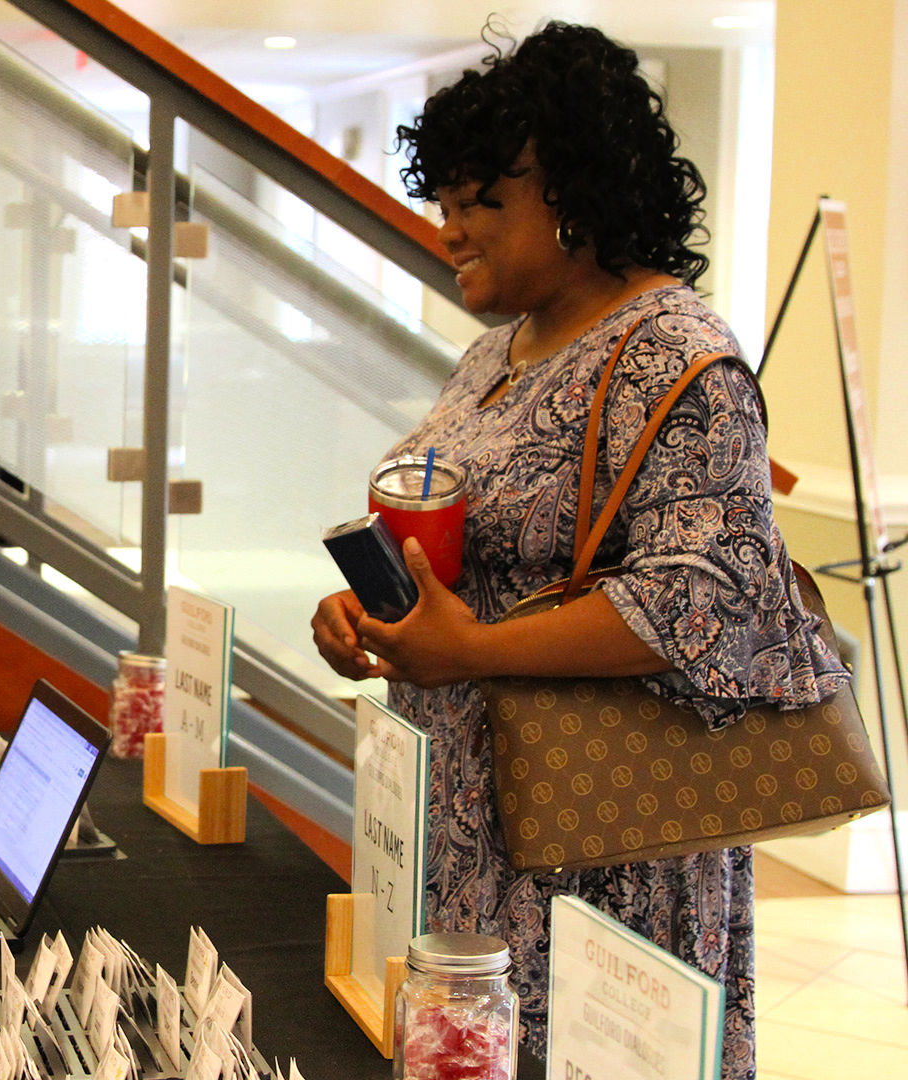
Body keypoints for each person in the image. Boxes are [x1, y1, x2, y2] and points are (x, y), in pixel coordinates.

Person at [310, 22, 847, 1080]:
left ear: (575, 200)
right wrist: (376, 622)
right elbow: (464, 550)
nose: (451, 230)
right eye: (449, 203)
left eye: (483, 205)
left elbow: (708, 604)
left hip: (604, 837)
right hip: (476, 818)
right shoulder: (494, 353)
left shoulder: (678, 357)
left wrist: (474, 650)